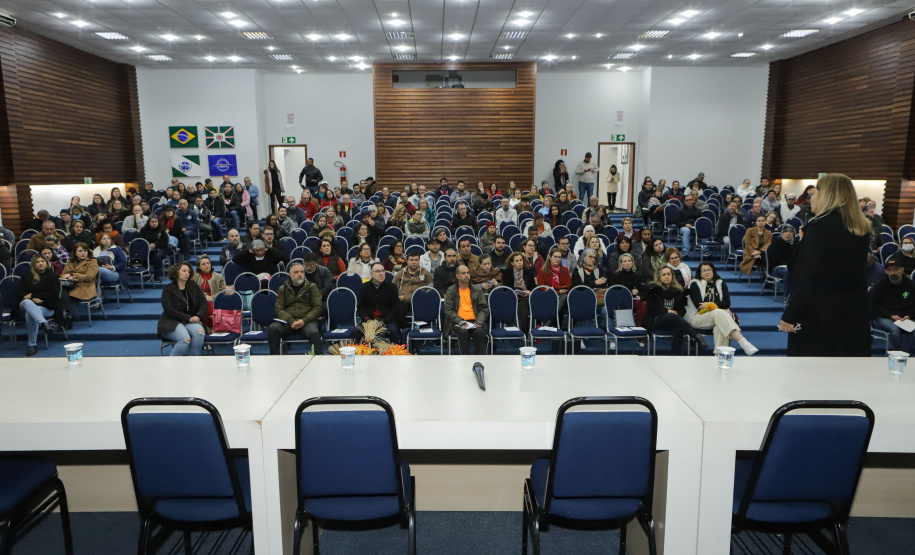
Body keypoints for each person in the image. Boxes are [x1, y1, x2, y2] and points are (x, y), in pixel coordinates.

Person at [780, 174, 872, 357]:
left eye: (815, 193)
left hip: (819, 315)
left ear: (827, 196)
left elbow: (811, 277)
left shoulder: (819, 227)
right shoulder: (860, 228)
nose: (811, 198)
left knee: (812, 376)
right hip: (853, 313)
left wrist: (790, 314)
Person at [687, 262, 758, 354]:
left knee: (720, 326)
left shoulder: (721, 283)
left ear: (713, 271)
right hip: (697, 317)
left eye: (709, 270)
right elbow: (699, 306)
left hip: (717, 317)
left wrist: (709, 304)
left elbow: (727, 304)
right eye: (703, 271)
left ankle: (719, 356)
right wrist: (717, 306)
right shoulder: (694, 284)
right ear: (699, 273)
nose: (707, 272)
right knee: (720, 313)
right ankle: (743, 342)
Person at [643, 266, 708, 355]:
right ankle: (696, 336)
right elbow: (652, 308)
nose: (667, 276)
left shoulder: (677, 290)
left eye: (669, 274)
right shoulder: (653, 289)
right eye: (664, 275)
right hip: (655, 319)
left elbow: (682, 309)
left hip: (673, 320)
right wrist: (667, 311)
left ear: (672, 276)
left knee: (678, 327)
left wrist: (677, 313)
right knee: (674, 317)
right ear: (659, 277)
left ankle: (676, 355)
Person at [158, 262, 207, 356]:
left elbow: (204, 303)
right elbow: (169, 310)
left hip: (190, 320)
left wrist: (198, 316)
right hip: (171, 321)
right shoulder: (168, 289)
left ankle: (194, 360)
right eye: (184, 271)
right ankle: (171, 365)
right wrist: (189, 318)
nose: (187, 273)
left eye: (188, 271)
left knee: (200, 332)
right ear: (176, 272)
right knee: (185, 339)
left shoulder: (193, 285)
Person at [869, 256, 915, 353]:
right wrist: (890, 315)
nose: (893, 273)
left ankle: (903, 352)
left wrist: (909, 315)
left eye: (896, 270)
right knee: (895, 331)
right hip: (887, 316)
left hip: (907, 316)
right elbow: (874, 306)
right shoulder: (879, 287)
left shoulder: (912, 285)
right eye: (889, 270)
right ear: (886, 271)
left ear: (902, 269)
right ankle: (901, 353)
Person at [19, 255, 61, 356]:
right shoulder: (27, 276)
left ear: (46, 263)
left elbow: (53, 294)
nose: (41, 263)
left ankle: (32, 345)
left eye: (43, 261)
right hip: (27, 305)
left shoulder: (53, 277)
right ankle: (43, 323)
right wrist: (32, 299)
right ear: (34, 264)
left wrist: (33, 295)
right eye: (37, 262)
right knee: (26, 302)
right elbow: (19, 292)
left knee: (30, 315)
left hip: (47, 307)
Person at [444, 264, 489, 355]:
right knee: (463, 332)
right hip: (458, 322)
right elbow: (449, 310)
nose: (466, 275)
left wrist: (479, 321)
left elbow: (483, 308)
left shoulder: (477, 290)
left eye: (468, 273)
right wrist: (460, 321)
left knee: (480, 332)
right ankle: (464, 358)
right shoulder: (451, 290)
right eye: (463, 273)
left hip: (474, 321)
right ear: (457, 276)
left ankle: (481, 359)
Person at [358, 263, 403, 341]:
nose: (381, 274)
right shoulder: (364, 287)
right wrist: (367, 319)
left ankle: (395, 352)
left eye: (383, 271)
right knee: (355, 332)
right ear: (371, 273)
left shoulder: (392, 287)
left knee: (394, 331)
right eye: (378, 271)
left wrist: (383, 321)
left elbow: (396, 309)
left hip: (386, 320)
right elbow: (360, 308)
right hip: (369, 321)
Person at [394, 251, 433, 316]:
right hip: (403, 303)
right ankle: (404, 325)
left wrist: (424, 298)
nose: (414, 262)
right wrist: (398, 297)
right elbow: (392, 288)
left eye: (416, 260)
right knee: (396, 311)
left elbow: (431, 289)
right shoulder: (400, 273)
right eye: (411, 260)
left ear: (419, 261)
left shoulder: (425, 273)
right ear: (407, 261)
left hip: (420, 303)